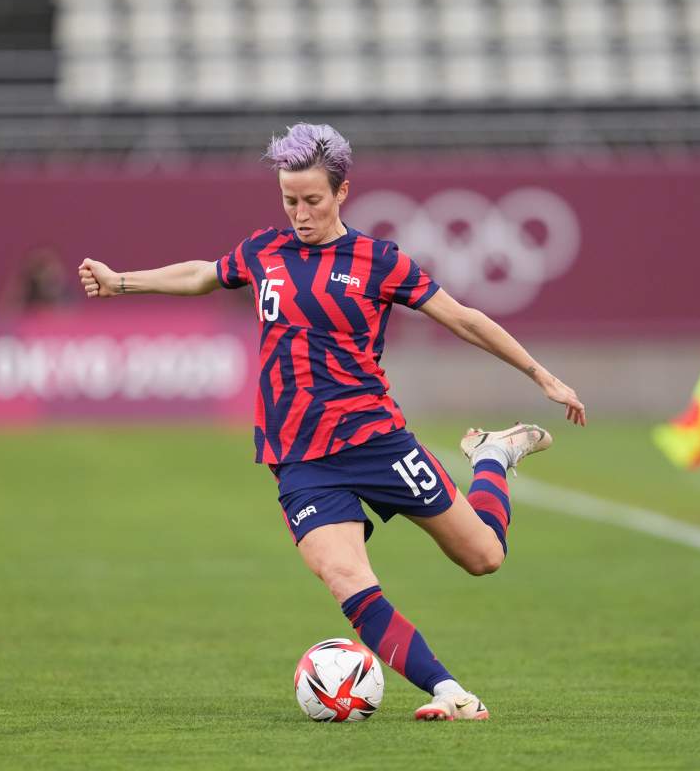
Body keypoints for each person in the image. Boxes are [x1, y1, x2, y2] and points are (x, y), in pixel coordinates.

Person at [79, 123, 586, 720]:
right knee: (345, 575)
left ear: (342, 193)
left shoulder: (377, 261)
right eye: (289, 200)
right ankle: (450, 693)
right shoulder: (266, 251)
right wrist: (123, 282)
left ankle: (493, 458)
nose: (300, 213)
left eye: (312, 200)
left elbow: (463, 318)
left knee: (484, 556)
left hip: (376, 440)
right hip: (299, 458)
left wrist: (539, 375)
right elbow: (205, 273)